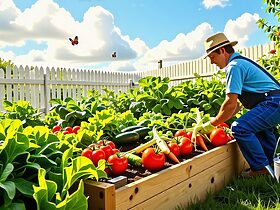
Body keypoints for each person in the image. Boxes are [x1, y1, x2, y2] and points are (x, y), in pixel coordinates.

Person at [199, 32, 280, 177]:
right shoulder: (241, 62)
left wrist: (213, 124)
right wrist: (221, 120)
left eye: (212, 57)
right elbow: (236, 106)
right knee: (260, 130)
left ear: (222, 51)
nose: (212, 62)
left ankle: (261, 170)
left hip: (273, 103)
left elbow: (230, 103)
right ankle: (272, 167)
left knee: (240, 128)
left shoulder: (234, 66)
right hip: (273, 103)